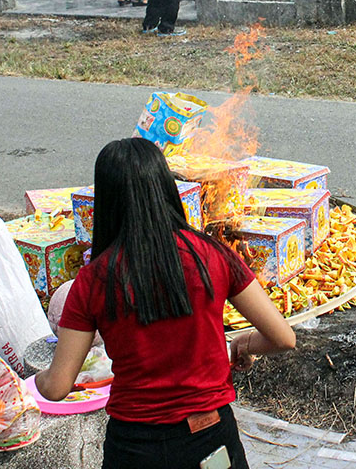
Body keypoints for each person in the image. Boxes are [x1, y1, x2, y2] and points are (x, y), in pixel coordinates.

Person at [35, 138, 295, 469]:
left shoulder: (93, 280)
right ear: (166, 188)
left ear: (106, 200)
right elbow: (284, 337)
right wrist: (242, 343)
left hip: (135, 450)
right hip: (211, 440)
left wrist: (35, 381)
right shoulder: (211, 255)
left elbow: (57, 387)